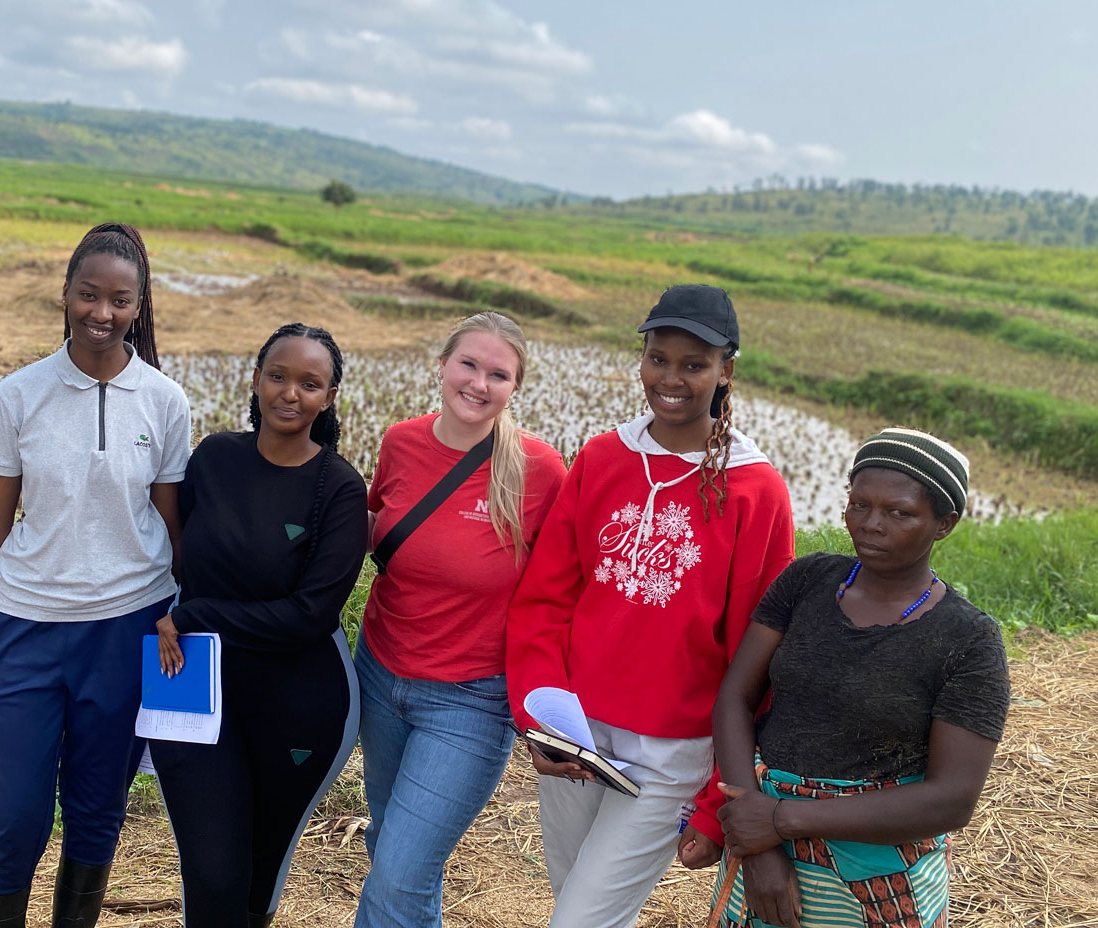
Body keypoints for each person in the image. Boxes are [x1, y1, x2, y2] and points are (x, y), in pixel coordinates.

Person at [505, 284, 796, 928]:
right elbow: (546, 599)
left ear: (727, 369)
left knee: (578, 921)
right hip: (576, 736)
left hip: (671, 755)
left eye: (694, 365)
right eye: (658, 359)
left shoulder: (753, 490)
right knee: (579, 906)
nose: (672, 378)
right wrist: (540, 713)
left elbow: (756, 653)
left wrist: (720, 793)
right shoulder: (605, 457)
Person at [0, 223, 190, 928]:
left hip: (125, 631)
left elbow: (174, 530)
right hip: (22, 631)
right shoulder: (21, 394)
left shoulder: (164, 402)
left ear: (139, 307)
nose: (101, 314)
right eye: (88, 295)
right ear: (66, 296)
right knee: (12, 814)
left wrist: (187, 615)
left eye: (119, 300)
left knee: (96, 807)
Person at [702, 428, 1010, 928]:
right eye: (860, 505)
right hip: (760, 833)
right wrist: (756, 843)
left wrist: (782, 821)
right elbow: (735, 698)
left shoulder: (968, 640)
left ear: (944, 524)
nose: (871, 525)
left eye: (900, 513)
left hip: (881, 864)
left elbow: (952, 798)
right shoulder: (807, 581)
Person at [149, 323, 369, 928]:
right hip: (190, 682)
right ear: (255, 379)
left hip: (298, 701)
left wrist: (197, 615)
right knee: (213, 877)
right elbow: (178, 554)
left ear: (329, 396)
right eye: (278, 375)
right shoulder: (215, 457)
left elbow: (311, 615)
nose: (290, 393)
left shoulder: (341, 490)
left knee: (256, 880)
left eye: (309, 383)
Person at [354, 311, 569, 928]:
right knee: (393, 854)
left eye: (498, 374)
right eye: (468, 365)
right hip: (379, 674)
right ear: (442, 366)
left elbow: (561, 594)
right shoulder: (400, 442)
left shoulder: (538, 471)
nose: (479, 383)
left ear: (515, 387)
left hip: (470, 702)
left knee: (398, 874)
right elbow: (372, 536)